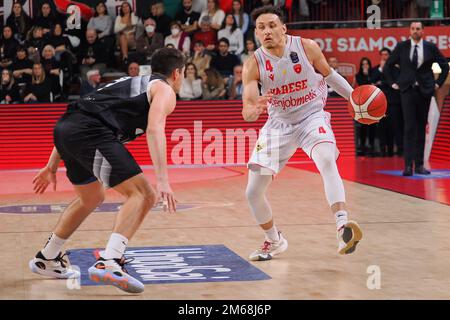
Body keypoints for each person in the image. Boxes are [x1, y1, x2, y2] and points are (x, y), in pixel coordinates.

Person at [29, 48, 185, 294]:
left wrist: (52, 165)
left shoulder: (131, 82)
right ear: (177, 73)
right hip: (90, 133)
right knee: (145, 194)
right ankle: (110, 261)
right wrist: (163, 181)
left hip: (66, 129)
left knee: (91, 197)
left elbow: (78, 116)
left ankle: (47, 257)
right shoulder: (164, 89)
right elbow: (155, 129)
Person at [242, 6, 362, 261]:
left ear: (284, 28)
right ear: (255, 33)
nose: (267, 31)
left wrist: (355, 99)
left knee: (327, 159)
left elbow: (330, 77)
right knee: (253, 191)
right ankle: (274, 240)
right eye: (261, 27)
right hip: (278, 127)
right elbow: (248, 111)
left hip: (311, 118)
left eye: (272, 25)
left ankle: (342, 227)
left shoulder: (306, 47)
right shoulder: (253, 64)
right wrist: (254, 110)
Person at [384, 21, 449, 176]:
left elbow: (444, 65)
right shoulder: (402, 46)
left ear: (423, 31)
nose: (415, 31)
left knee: (421, 128)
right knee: (409, 128)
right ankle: (407, 166)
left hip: (424, 91)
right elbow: (388, 66)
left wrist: (438, 84)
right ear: (409, 31)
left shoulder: (430, 47)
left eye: (418, 29)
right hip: (407, 90)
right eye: (413, 29)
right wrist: (393, 83)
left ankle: (419, 165)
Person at [371, 48, 403, 157]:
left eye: (386, 54)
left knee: (396, 126)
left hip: (394, 102)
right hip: (380, 103)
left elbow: (396, 82)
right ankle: (383, 150)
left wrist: (382, 83)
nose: (384, 56)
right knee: (382, 127)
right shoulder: (376, 69)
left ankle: (399, 149)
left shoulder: (396, 68)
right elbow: (372, 81)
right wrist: (381, 69)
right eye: (382, 54)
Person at [354, 57, 376, 157]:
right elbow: (364, 85)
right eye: (363, 64)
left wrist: (369, 76)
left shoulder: (373, 74)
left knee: (372, 126)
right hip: (362, 104)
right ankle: (362, 146)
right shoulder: (358, 75)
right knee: (362, 126)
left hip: (373, 104)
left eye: (367, 64)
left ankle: (371, 146)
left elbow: (373, 86)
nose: (365, 66)